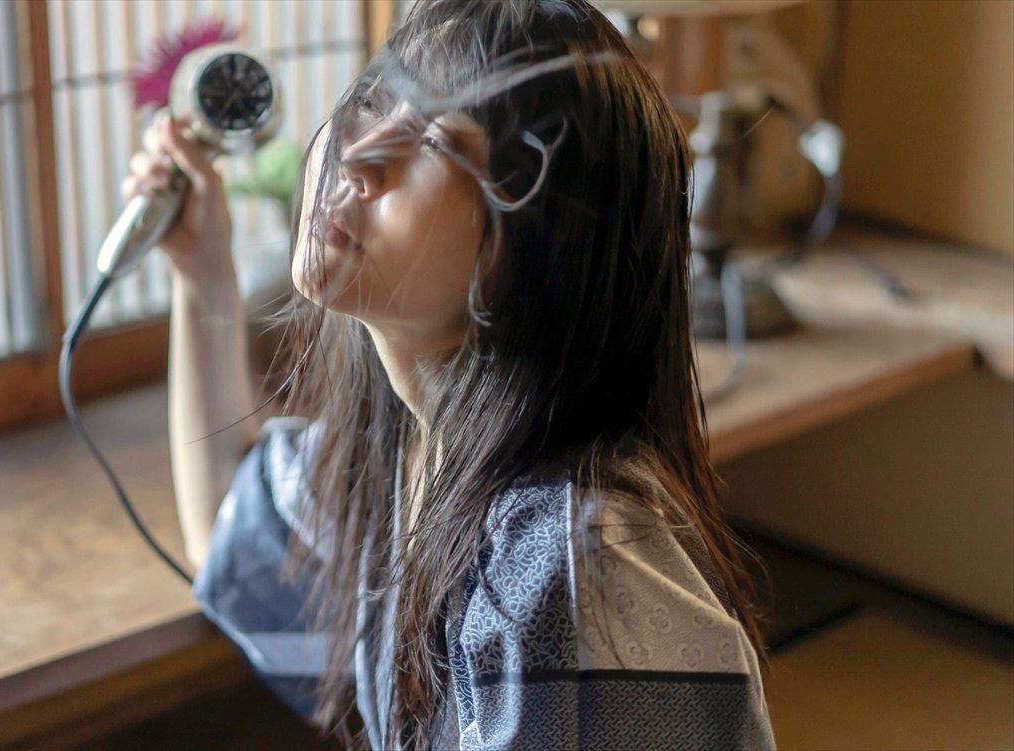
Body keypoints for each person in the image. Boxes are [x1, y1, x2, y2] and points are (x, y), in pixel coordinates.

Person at [122, 1, 778, 748]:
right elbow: (230, 534)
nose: (359, 154)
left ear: (535, 254)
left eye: (435, 142)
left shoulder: (561, 563)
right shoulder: (411, 447)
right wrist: (203, 272)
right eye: (374, 100)